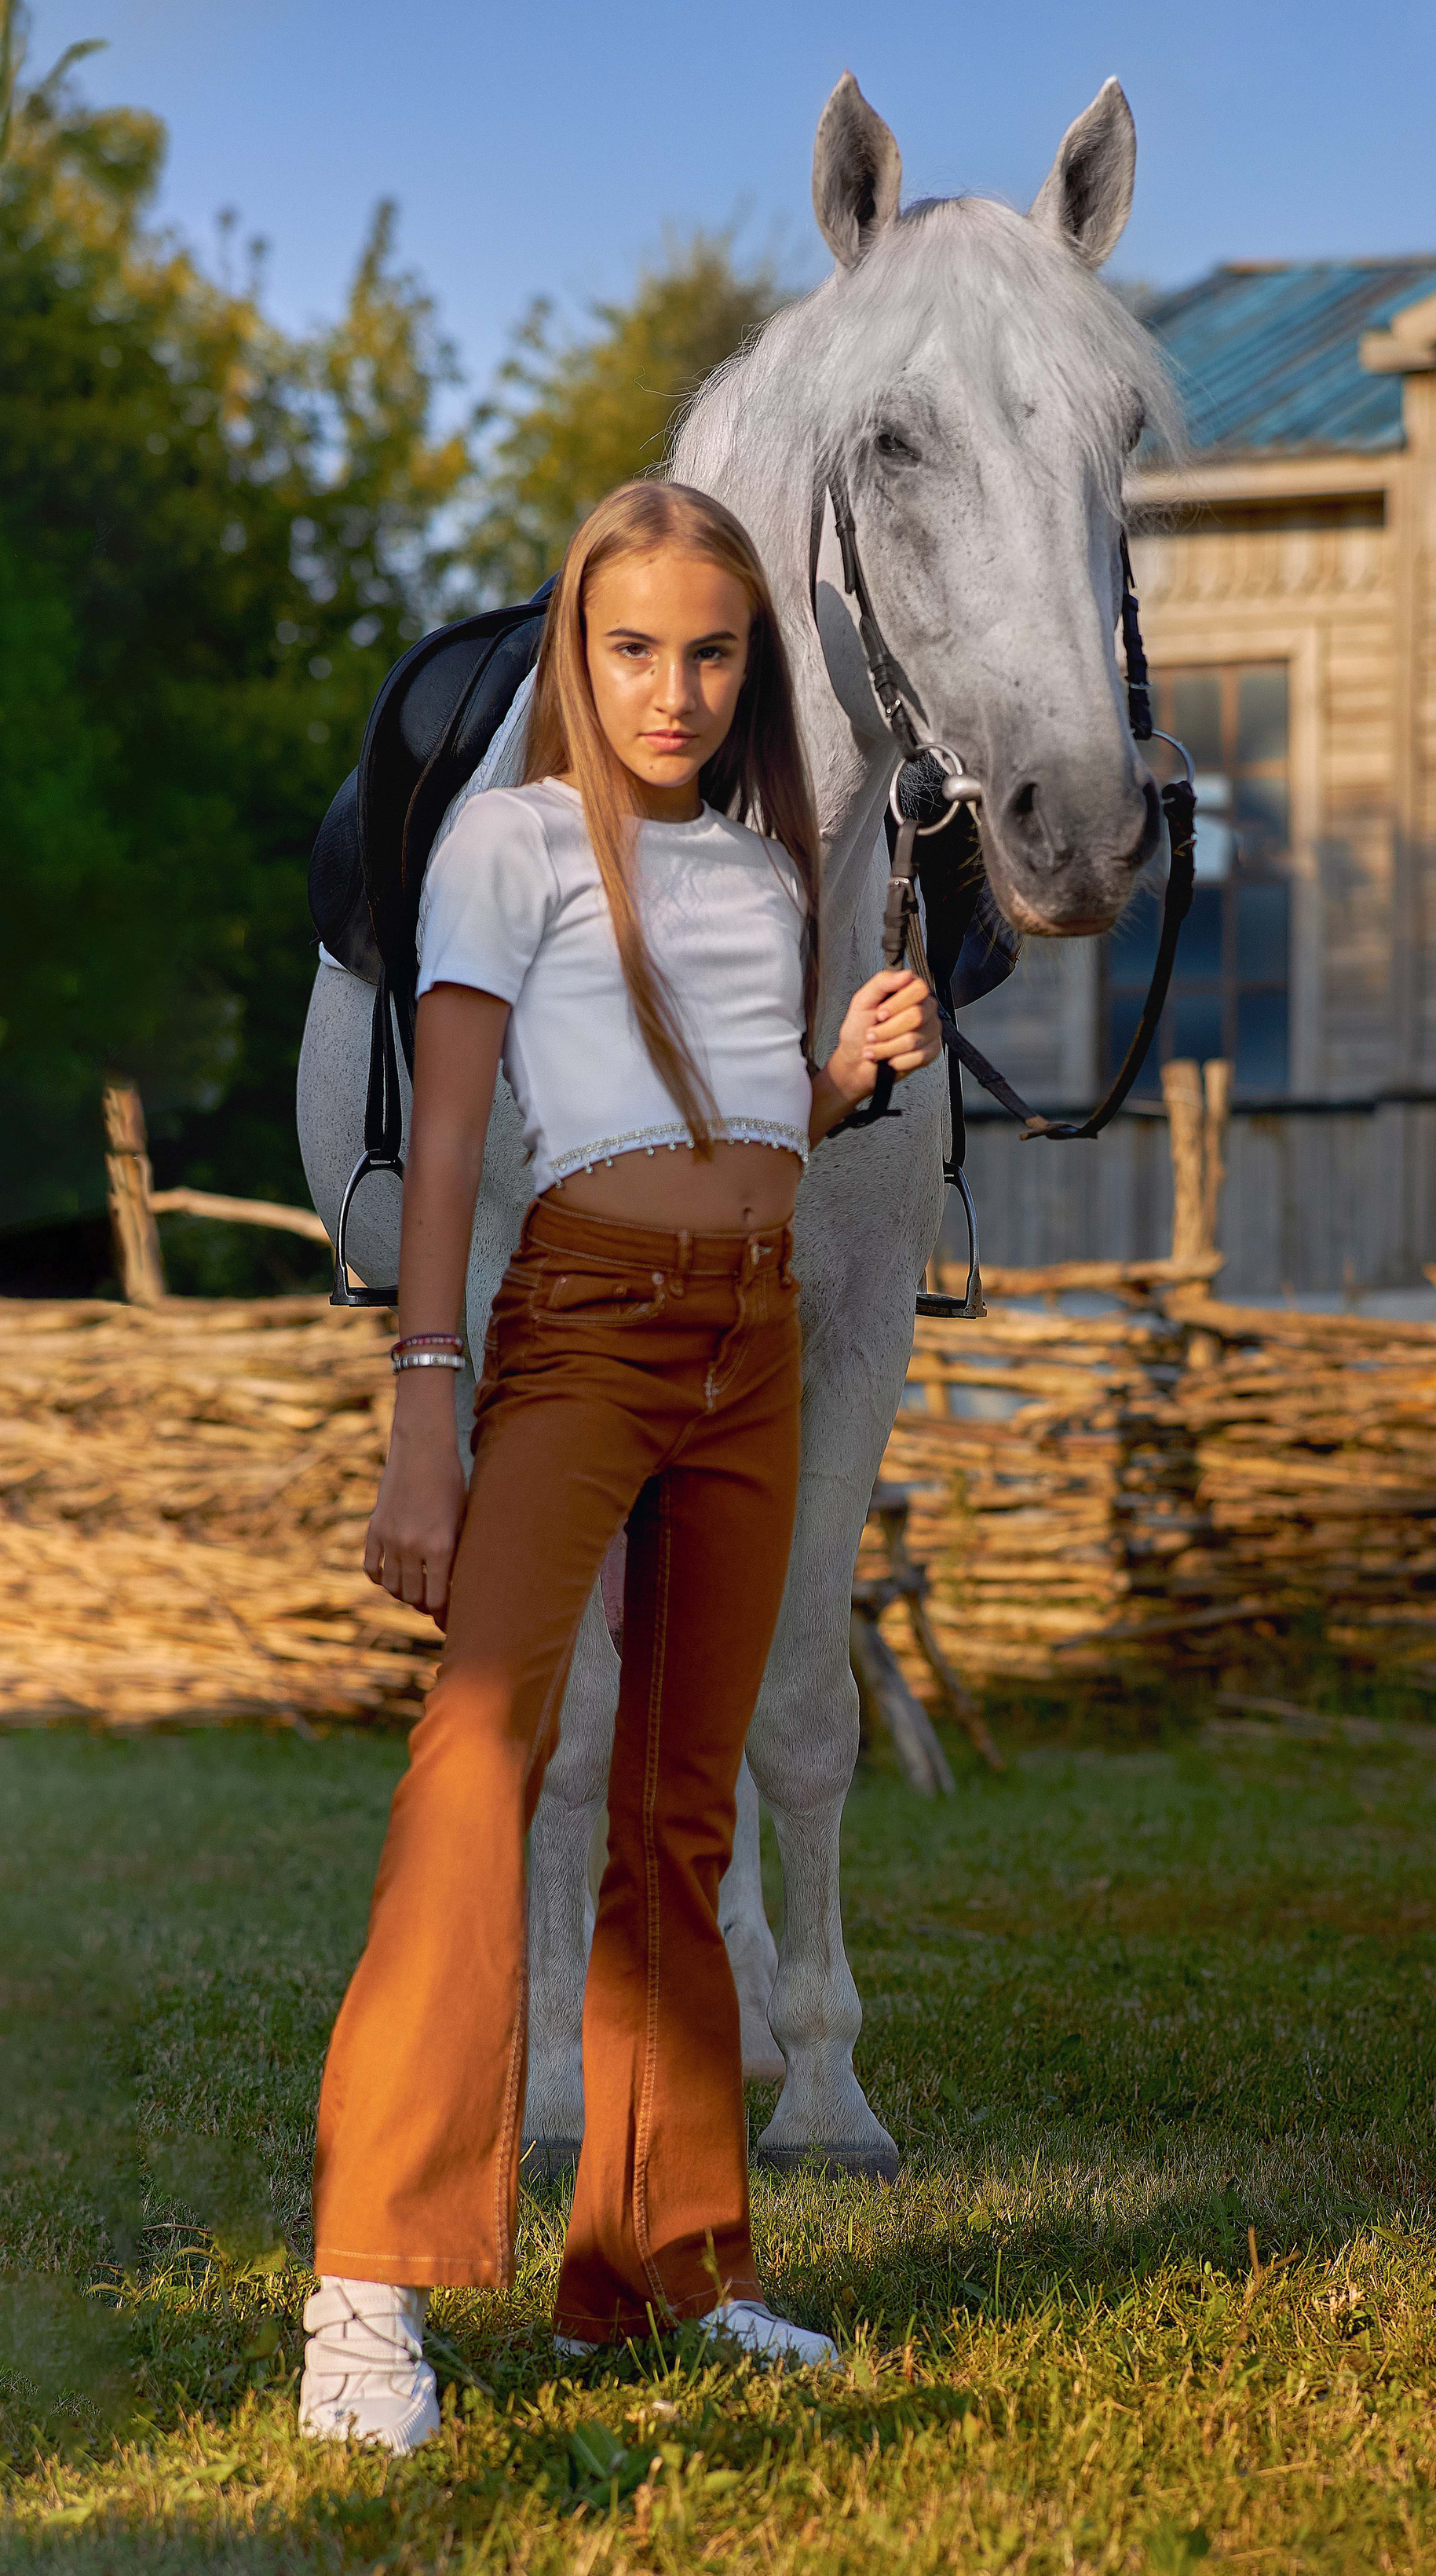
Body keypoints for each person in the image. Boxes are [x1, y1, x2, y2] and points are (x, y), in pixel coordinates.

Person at [298, 479, 940, 2451]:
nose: (672, 690)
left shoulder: (755, 874)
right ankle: (367, 2291)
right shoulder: (498, 846)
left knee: (681, 1808)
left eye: (711, 652)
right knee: (480, 1758)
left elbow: (745, 1121)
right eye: (633, 648)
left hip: (750, 1336)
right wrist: (429, 1400)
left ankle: (665, 2261)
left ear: (751, 674)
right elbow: (459, 1126)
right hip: (572, 1327)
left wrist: (838, 1078)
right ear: (576, 652)